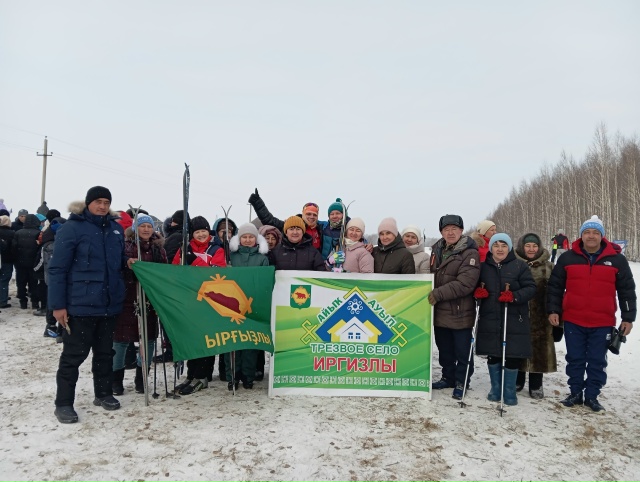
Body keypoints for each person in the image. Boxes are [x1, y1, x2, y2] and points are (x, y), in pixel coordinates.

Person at [49, 186, 131, 424]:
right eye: (98, 202)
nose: (103, 206)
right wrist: (58, 306)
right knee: (73, 356)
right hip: (80, 304)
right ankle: (63, 403)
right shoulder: (72, 228)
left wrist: (128, 261)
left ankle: (103, 393)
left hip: (109, 304)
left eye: (106, 202)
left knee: (105, 353)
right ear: (88, 203)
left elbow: (116, 261)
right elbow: (58, 268)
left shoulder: (116, 229)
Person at [547, 215, 636, 412]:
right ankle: (575, 392)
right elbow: (555, 287)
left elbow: (627, 291)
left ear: (602, 236)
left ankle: (592, 396)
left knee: (597, 360)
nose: (591, 236)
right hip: (573, 319)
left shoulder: (617, 260)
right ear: (581, 235)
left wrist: (628, 318)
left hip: (602, 321)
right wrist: (553, 310)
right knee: (575, 358)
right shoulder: (567, 258)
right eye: (587, 232)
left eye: (596, 232)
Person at [475, 234, 536, 406]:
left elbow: (531, 288)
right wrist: (478, 293)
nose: (500, 249)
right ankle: (496, 388)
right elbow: (474, 285)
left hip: (514, 317)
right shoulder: (483, 267)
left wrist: (514, 296)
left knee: (512, 354)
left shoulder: (519, 266)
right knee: (493, 353)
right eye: (496, 245)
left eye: (503, 245)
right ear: (491, 248)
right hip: (490, 317)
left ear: (509, 248)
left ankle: (509, 391)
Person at [112, 214, 167, 396]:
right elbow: (117, 267)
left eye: (149, 226)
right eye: (142, 226)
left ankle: (141, 377)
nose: (146, 229)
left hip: (149, 299)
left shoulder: (158, 249)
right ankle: (116, 379)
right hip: (127, 298)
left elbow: (163, 272)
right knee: (120, 341)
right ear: (135, 228)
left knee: (148, 340)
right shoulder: (125, 246)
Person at [171, 216, 226, 395]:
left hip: (209, 301)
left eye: (204, 231)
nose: (201, 234)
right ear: (192, 234)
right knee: (192, 339)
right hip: (189, 301)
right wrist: (184, 258)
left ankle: (201, 376)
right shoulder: (185, 248)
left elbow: (217, 274)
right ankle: (191, 374)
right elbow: (175, 270)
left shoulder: (216, 249)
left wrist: (194, 260)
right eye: (197, 232)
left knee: (205, 339)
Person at [428, 214, 480, 399]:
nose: (450, 233)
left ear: (461, 230)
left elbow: (465, 283)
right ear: (441, 232)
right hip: (439, 311)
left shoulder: (469, 253)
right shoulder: (436, 250)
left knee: (462, 351)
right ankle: (448, 377)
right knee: (445, 349)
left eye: (454, 229)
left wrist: (437, 293)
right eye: (446, 229)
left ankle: (462, 381)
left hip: (460, 311)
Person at [224, 223, 270, 390]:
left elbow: (265, 281)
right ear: (239, 239)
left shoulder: (262, 258)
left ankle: (248, 376)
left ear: (256, 239)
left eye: (251, 237)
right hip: (233, 305)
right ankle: (232, 376)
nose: (248, 240)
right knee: (233, 342)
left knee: (250, 343)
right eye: (245, 237)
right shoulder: (231, 257)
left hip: (253, 304)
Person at [513, 233, 556, 399]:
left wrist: (558, 320)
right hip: (519, 314)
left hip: (542, 317)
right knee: (518, 347)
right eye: (528, 246)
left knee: (539, 351)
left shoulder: (549, 267)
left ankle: (536, 383)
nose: (531, 249)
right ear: (521, 247)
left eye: (534, 246)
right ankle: (518, 379)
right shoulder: (514, 264)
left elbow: (557, 293)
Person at [12, 213, 42, 310]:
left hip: (20, 262)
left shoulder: (18, 233)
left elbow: (14, 247)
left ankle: (23, 302)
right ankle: (34, 302)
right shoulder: (38, 233)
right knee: (33, 283)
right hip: (33, 262)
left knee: (21, 283)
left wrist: (15, 259)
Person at [0, 215, 15, 308]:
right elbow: (14, 247)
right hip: (7, 260)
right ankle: (2, 301)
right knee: (4, 280)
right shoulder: (12, 233)